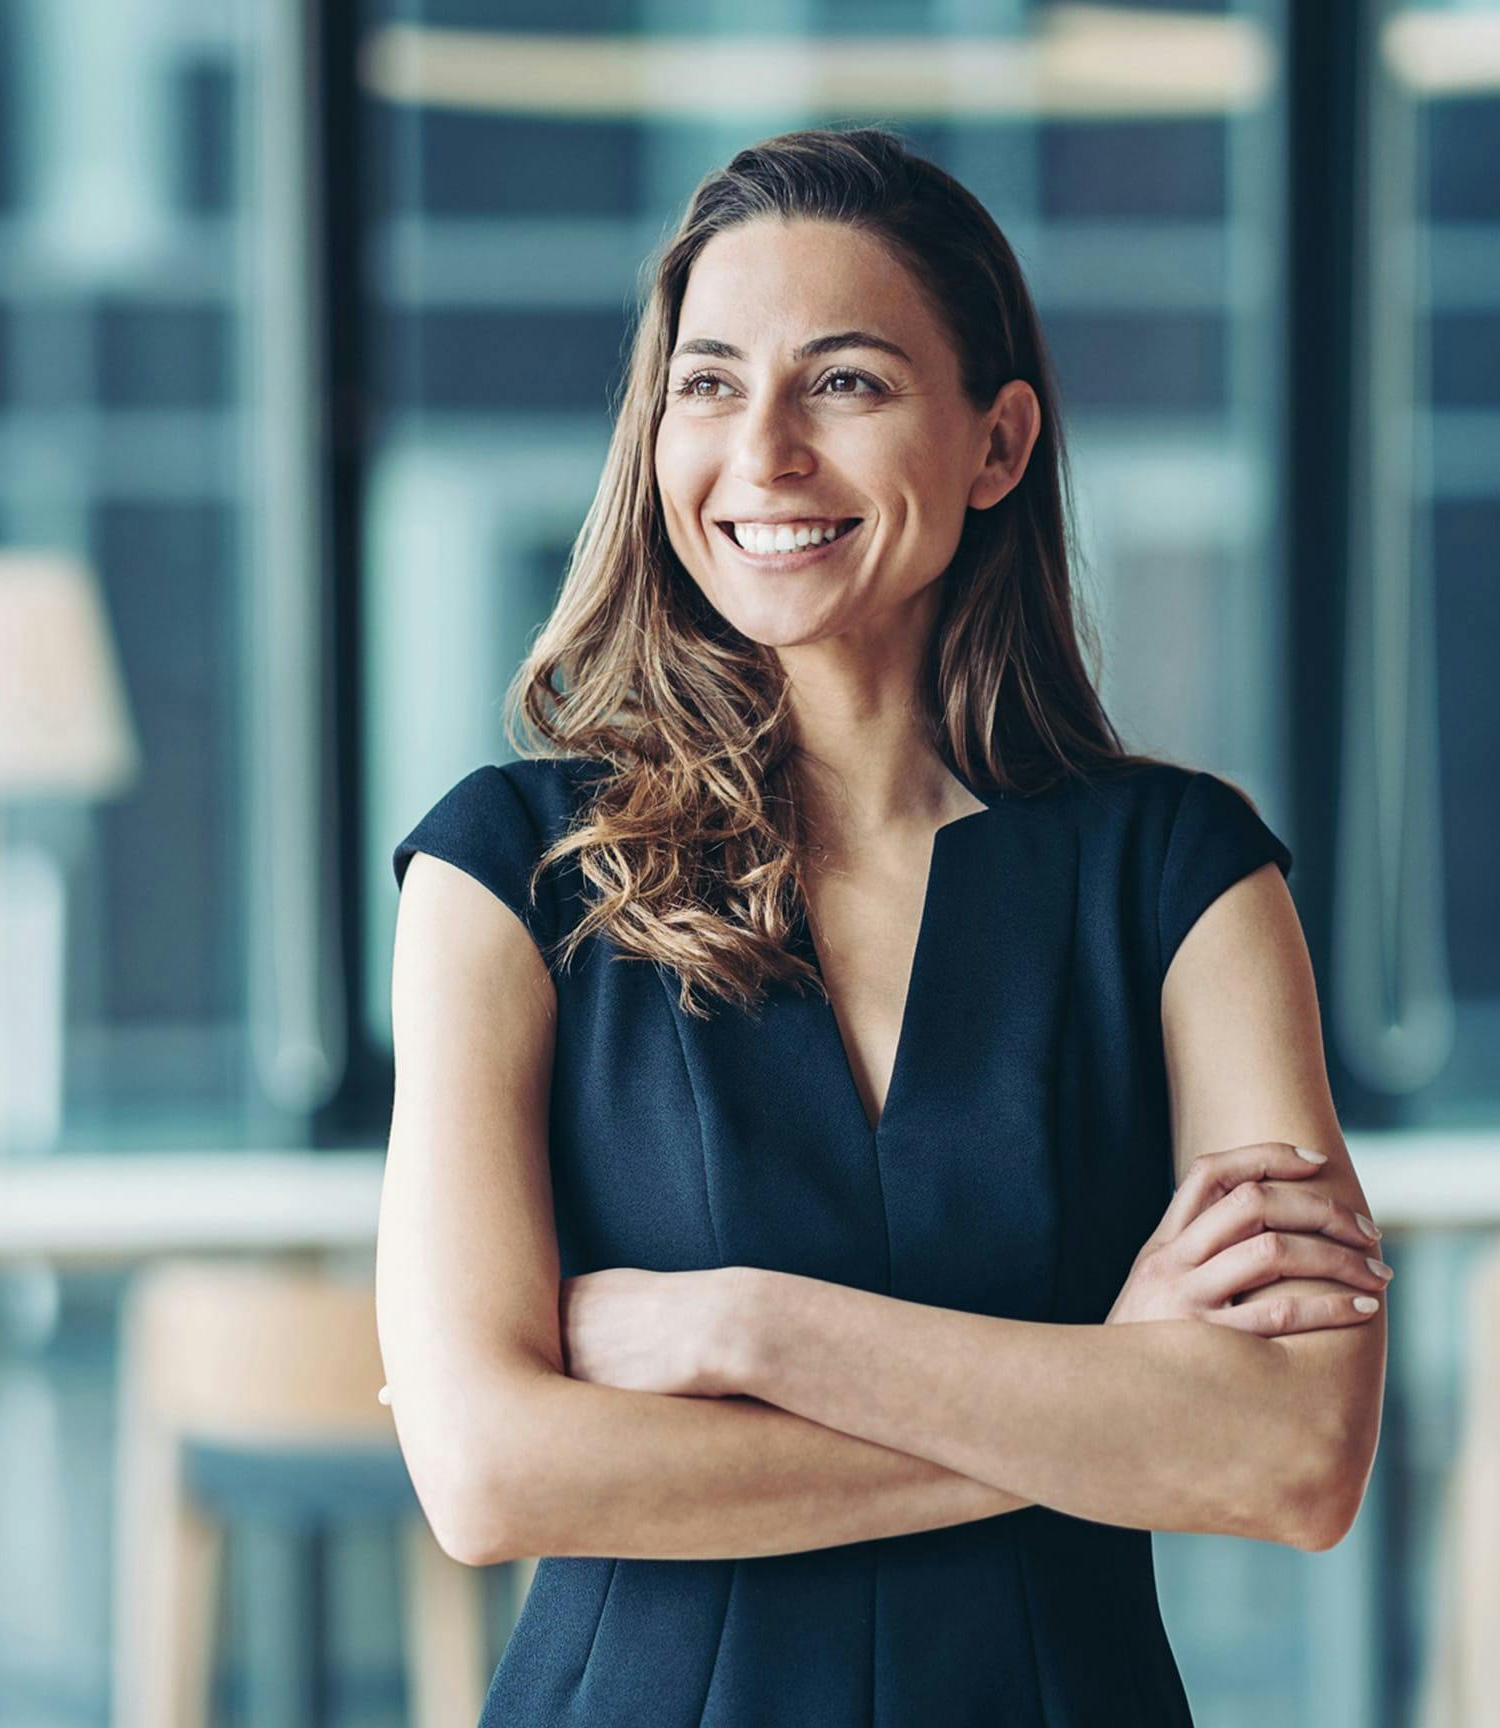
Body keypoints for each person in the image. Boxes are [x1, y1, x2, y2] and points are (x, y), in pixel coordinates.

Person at [380, 124, 1388, 1728]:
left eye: (843, 383)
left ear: (996, 446)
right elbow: (491, 1476)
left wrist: (735, 1325)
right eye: (707, 385)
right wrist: (1100, 1399)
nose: (763, 451)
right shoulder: (505, 871)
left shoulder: (1180, 876)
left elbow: (1289, 1458)